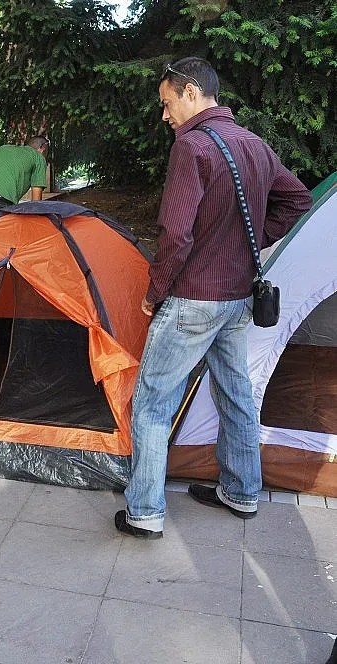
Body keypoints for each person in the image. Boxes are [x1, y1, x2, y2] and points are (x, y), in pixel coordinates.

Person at [115, 57, 312, 540]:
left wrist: (154, 292)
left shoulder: (192, 147)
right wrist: (250, 243)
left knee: (153, 402)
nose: (164, 116)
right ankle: (243, 493)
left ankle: (144, 511)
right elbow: (299, 200)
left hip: (192, 299)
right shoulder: (255, 145)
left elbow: (176, 235)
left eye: (166, 104)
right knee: (236, 394)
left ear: (190, 93)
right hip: (237, 299)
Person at [0, 136, 49, 222]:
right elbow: (36, 203)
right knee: (2, 235)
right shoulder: (38, 157)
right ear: (43, 148)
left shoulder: (4, 148)